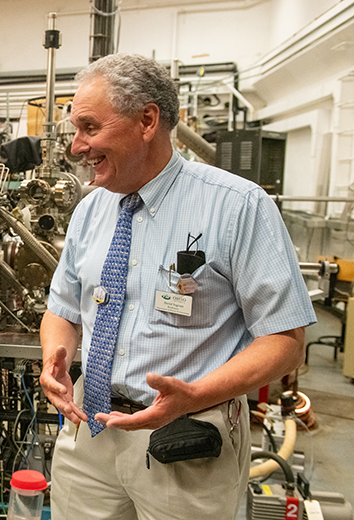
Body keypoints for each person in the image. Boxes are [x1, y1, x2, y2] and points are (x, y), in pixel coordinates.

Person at [39, 53, 316, 520]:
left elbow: (285, 341)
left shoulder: (237, 206)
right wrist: (54, 357)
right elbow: (63, 309)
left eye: (89, 127)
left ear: (147, 120)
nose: (76, 146)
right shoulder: (91, 210)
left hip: (188, 440)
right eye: (74, 130)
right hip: (90, 431)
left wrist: (197, 395)